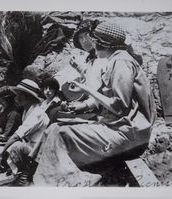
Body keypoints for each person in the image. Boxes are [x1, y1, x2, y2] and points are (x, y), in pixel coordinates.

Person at [33, 21, 156, 186]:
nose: (91, 43)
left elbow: (119, 107)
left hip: (128, 135)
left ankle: (54, 186)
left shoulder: (121, 62)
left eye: (94, 39)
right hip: (121, 129)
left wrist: (86, 88)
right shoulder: (117, 60)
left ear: (104, 43)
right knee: (55, 128)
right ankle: (56, 181)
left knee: (60, 133)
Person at [0, 79, 49, 186]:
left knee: (15, 145)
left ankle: (25, 176)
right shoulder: (28, 110)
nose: (16, 98)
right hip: (33, 149)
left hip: (39, 152)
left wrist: (3, 152)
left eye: (19, 95)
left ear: (28, 97)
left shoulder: (36, 113)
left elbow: (17, 136)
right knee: (13, 145)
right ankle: (23, 173)